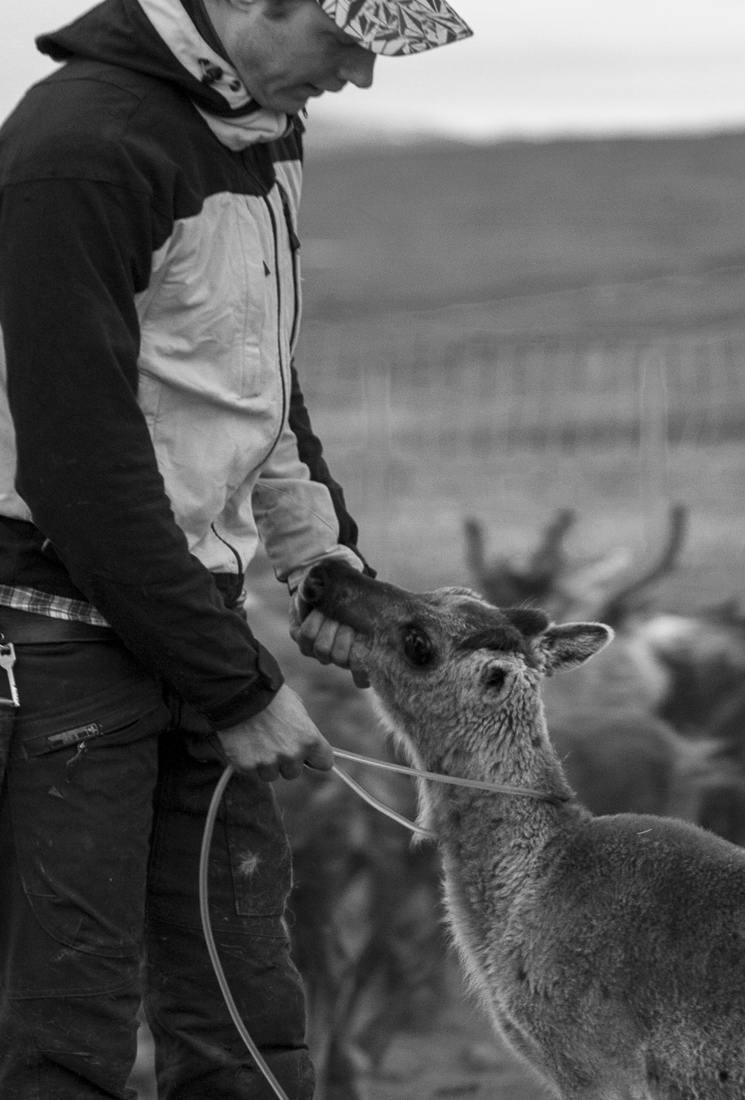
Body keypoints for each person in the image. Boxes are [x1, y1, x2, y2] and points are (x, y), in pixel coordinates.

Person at [0, 1, 471, 1097]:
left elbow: (251, 375)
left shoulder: (258, 125)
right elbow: (74, 460)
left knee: (247, 1016)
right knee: (70, 1029)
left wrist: (324, 564)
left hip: (182, 618)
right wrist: (238, 688)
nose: (358, 77)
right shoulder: (83, 150)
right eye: (349, 42)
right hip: (57, 633)